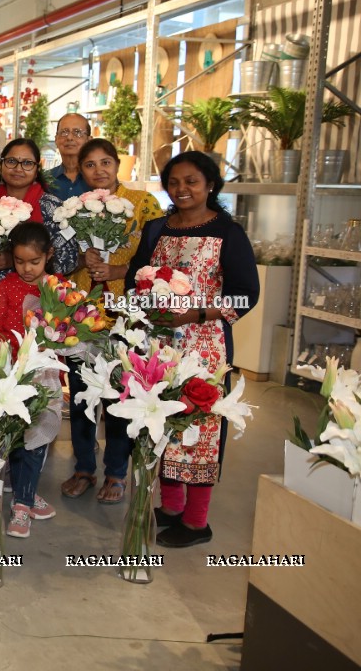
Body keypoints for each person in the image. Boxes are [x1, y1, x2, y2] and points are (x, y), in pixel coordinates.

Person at [127, 152, 259, 548]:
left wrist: (195, 313)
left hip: (205, 346)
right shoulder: (155, 229)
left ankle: (197, 522)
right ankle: (170, 508)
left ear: (211, 186)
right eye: (174, 182)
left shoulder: (228, 233)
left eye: (192, 182)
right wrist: (142, 304)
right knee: (161, 422)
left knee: (199, 428)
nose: (182, 190)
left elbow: (246, 294)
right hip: (159, 343)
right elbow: (136, 277)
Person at [61, 138, 164, 505]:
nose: (99, 171)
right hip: (85, 311)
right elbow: (61, 263)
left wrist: (119, 268)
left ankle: (117, 471)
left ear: (118, 165)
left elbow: (158, 260)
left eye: (106, 162)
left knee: (120, 393)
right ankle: (84, 466)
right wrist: (81, 259)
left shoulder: (143, 205)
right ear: (81, 170)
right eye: (90, 165)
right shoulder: (76, 208)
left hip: (127, 311)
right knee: (83, 394)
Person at [0, 221, 61, 538]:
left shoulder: (59, 289)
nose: (26, 269)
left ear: (49, 255)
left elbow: (67, 331)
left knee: (37, 440)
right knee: (12, 437)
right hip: (10, 373)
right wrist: (20, 350)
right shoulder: (6, 286)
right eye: (19, 262)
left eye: (34, 261)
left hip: (44, 376)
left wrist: (49, 345)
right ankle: (21, 490)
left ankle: (22, 505)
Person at [0, 138, 79, 277]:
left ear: (37, 170)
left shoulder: (53, 209)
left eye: (27, 163)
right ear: (1, 165)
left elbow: (69, 260)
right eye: (11, 161)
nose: (18, 169)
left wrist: (17, 261)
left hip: (41, 293)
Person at [46, 113, 93, 200]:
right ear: (56, 139)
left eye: (77, 132)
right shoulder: (44, 179)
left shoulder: (98, 178)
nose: (69, 137)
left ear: (89, 140)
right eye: (64, 132)